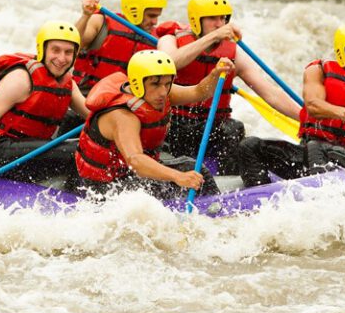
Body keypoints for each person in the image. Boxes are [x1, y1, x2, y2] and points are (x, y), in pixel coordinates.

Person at [238, 22, 345, 187]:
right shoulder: (317, 72)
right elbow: (313, 105)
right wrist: (342, 113)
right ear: (342, 53)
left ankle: (318, 199)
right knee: (249, 146)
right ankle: (260, 198)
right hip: (307, 154)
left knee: (316, 148)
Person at [156, 0, 300, 174]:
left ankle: (230, 180)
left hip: (211, 128)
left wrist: (305, 118)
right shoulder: (170, 40)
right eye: (212, 19)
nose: (220, 24)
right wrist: (214, 36)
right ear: (196, 20)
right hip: (176, 125)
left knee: (234, 128)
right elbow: (169, 63)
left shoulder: (233, 54)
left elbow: (270, 93)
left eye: (223, 19)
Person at [67, 50, 234, 201]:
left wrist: (215, 73)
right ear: (137, 83)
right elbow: (136, 161)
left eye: (167, 83)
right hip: (104, 186)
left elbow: (199, 92)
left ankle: (215, 210)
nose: (163, 91)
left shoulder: (160, 93)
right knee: (154, 192)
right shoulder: (122, 116)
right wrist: (177, 177)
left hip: (132, 174)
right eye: (155, 84)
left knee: (193, 168)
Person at [0, 20, 88, 190]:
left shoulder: (67, 84)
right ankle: (75, 195)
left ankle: (74, 190)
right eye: (55, 50)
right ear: (42, 50)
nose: (62, 58)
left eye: (68, 52)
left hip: (28, 152)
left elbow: (94, 115)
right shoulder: (21, 79)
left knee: (91, 140)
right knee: (79, 151)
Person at [58, 0, 171, 133]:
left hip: (123, 105)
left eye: (157, 17)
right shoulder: (101, 22)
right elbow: (73, 43)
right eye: (151, 16)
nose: (155, 22)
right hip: (86, 98)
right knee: (68, 118)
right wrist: (86, 16)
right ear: (135, 10)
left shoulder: (158, 41)